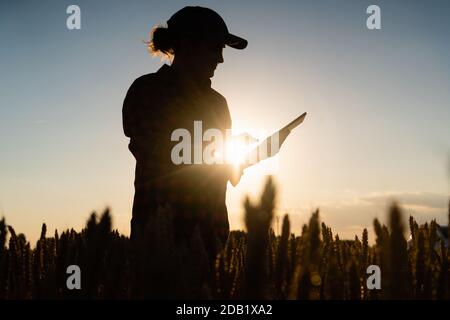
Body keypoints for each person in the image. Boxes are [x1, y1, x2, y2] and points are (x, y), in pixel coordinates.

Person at [122, 7, 248, 267]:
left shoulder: (218, 103)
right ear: (188, 45)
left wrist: (244, 158)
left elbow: (223, 172)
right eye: (216, 48)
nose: (221, 60)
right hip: (159, 240)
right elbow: (157, 155)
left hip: (212, 241)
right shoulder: (147, 91)